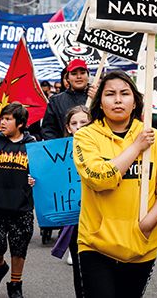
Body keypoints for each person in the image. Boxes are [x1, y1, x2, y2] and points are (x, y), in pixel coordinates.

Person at [73, 70, 157, 298]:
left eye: (124, 94)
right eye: (110, 94)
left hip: (140, 247)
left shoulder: (156, 139)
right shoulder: (85, 136)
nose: (117, 99)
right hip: (96, 245)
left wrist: (147, 224)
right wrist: (135, 148)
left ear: (135, 102)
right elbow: (98, 178)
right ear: (100, 102)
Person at [0, 102, 36, 297]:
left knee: (19, 248)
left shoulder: (33, 145)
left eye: (7, 119)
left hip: (22, 208)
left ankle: (15, 283)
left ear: (20, 123)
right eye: (1, 118)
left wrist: (35, 179)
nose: (2, 122)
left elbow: (42, 175)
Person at [49, 105, 91, 298]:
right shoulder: (59, 151)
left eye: (84, 122)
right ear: (68, 127)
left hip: (100, 217)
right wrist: (36, 181)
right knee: (80, 266)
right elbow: (52, 180)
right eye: (74, 123)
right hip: (74, 219)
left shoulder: (102, 147)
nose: (79, 127)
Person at [41, 59, 96, 140]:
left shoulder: (98, 97)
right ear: (67, 78)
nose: (79, 76)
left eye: (82, 73)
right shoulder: (56, 101)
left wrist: (99, 101)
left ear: (88, 76)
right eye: (74, 74)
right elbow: (48, 131)